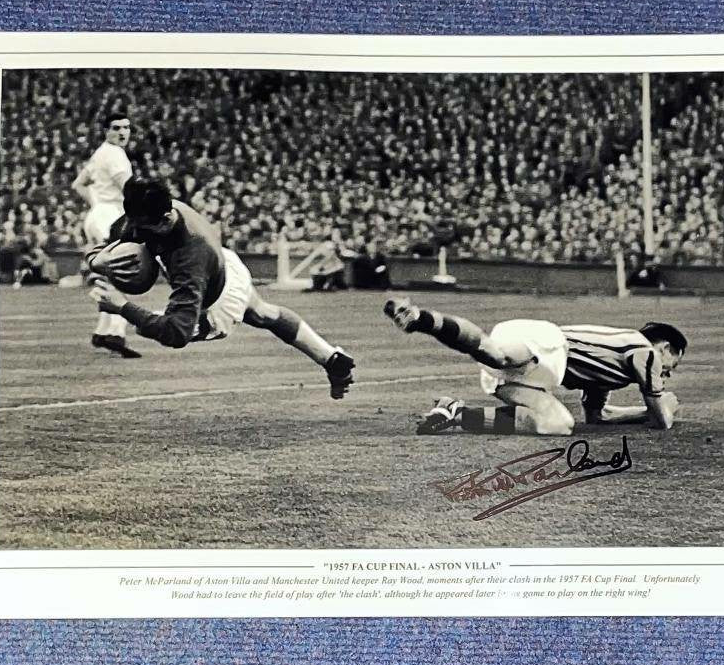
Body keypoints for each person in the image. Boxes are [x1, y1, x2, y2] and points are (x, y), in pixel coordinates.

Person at [88, 177, 355, 399]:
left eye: (143, 227)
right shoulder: (152, 208)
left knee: (150, 325)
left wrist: (122, 306)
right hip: (225, 263)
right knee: (262, 313)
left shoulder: (189, 257)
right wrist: (98, 258)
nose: (135, 231)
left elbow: (177, 333)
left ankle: (330, 358)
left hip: (219, 302)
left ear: (166, 219)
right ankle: (331, 358)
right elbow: (121, 229)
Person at [383, 297, 686, 435]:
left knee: (558, 425)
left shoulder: (615, 369)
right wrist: (665, 405)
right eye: (673, 362)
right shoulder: (644, 352)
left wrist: (641, 412)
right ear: (665, 348)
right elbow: (662, 422)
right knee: (495, 354)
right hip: (549, 345)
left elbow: (598, 417)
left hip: (540, 374)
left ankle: (455, 413)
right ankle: (422, 319)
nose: (668, 371)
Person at [71, 111, 141, 358]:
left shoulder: (100, 153)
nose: (122, 132)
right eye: (116, 127)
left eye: (126, 127)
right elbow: (129, 189)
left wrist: (95, 203)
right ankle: (115, 333)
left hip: (96, 216)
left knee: (108, 275)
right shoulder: (116, 155)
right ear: (106, 131)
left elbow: (78, 184)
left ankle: (104, 331)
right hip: (111, 216)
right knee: (124, 272)